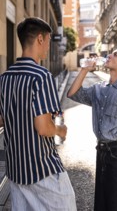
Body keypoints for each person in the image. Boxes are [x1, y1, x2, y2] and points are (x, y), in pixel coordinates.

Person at [0, 17, 77, 211]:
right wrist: (61, 130)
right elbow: (43, 128)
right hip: (43, 169)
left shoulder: (4, 78)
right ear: (40, 39)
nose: (48, 47)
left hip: (16, 172)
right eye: (49, 41)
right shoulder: (41, 76)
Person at [67, 47, 117, 211]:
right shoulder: (98, 88)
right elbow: (72, 94)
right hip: (102, 151)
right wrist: (84, 69)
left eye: (115, 54)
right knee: (104, 201)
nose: (109, 55)